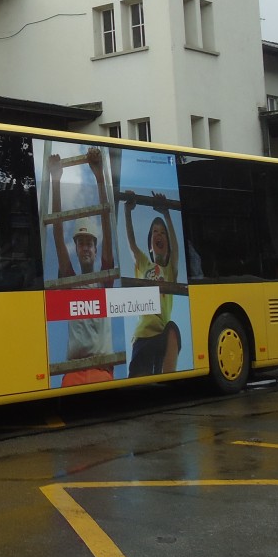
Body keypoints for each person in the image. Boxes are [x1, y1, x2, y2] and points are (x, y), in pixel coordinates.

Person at [52, 147, 116, 386]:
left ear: (96, 249)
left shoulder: (104, 279)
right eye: (81, 244)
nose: (86, 248)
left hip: (101, 370)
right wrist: (55, 181)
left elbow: (107, 224)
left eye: (90, 243)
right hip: (74, 371)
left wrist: (99, 177)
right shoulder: (70, 281)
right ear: (77, 250)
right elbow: (58, 234)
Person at [125, 193, 181, 376]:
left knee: (173, 329)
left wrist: (166, 214)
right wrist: (127, 211)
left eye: (163, 233)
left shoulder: (170, 269)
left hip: (161, 334)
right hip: (143, 336)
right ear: (150, 245)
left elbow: (176, 247)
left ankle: (168, 379)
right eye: (155, 232)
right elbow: (132, 245)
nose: (160, 235)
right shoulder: (145, 264)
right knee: (139, 380)